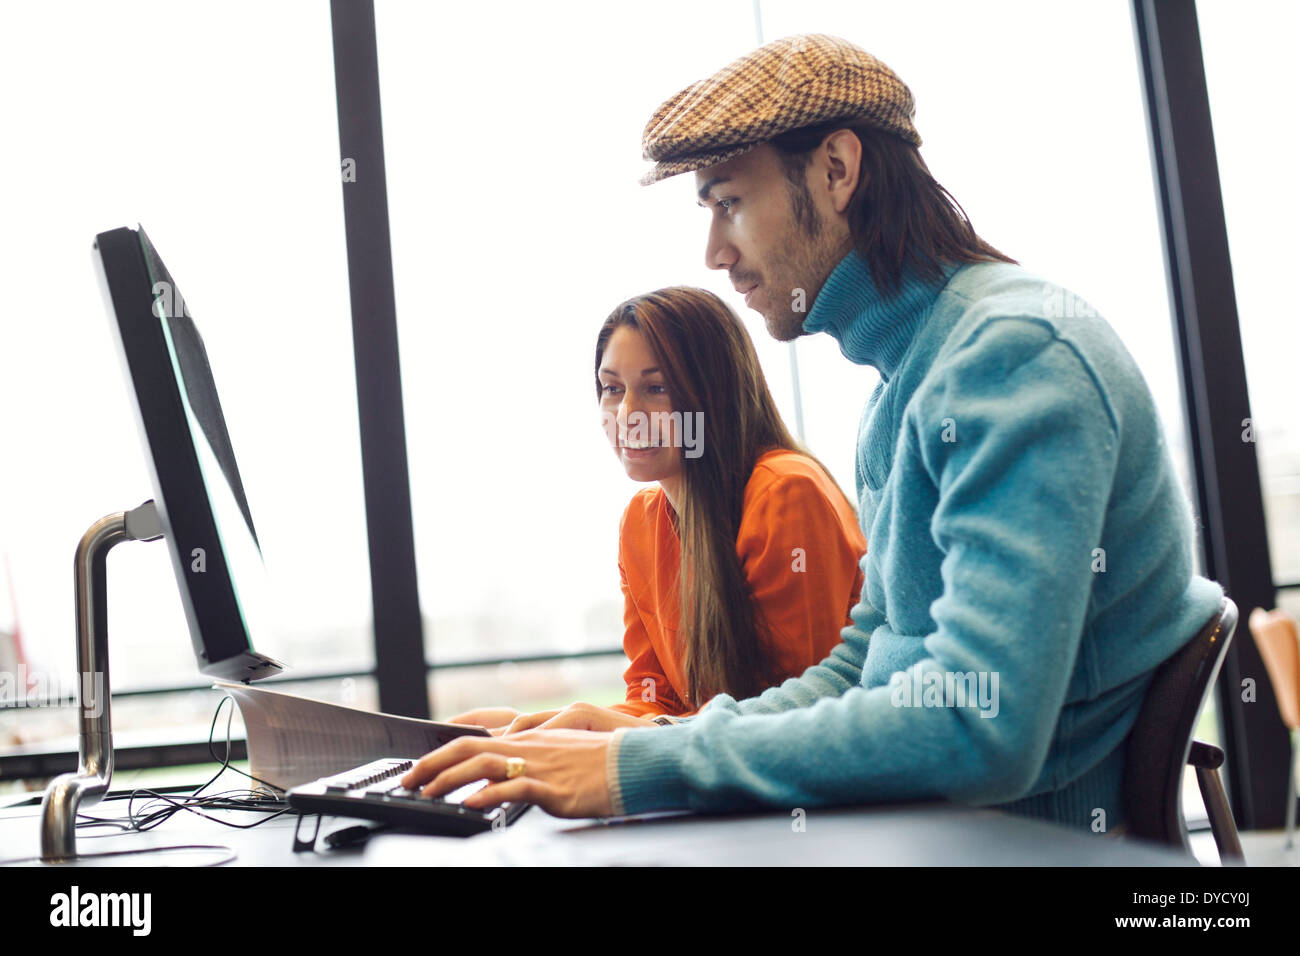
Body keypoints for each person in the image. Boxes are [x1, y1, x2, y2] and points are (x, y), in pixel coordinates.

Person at [403, 34, 1224, 830]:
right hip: (934, 832)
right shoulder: (905, 386)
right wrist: (650, 743)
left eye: (729, 203)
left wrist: (636, 770)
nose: (715, 253)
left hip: (1020, 845)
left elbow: (981, 728)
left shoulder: (1012, 356)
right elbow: (854, 668)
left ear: (837, 170)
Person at [449, 286, 866, 733]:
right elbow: (658, 702)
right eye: (612, 388)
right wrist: (532, 728)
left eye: (656, 387)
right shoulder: (641, 522)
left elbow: (792, 717)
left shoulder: (785, 493)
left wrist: (586, 734)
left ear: (715, 394)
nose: (627, 413)